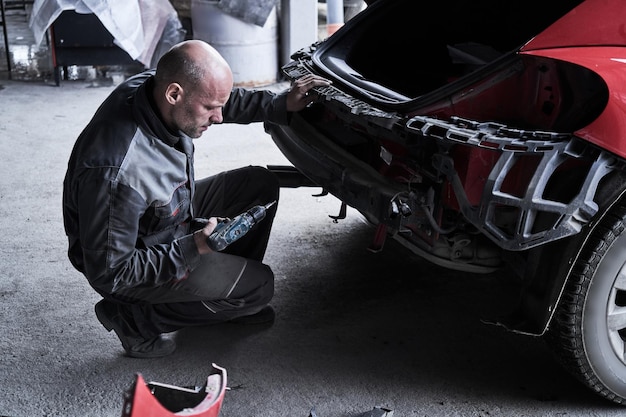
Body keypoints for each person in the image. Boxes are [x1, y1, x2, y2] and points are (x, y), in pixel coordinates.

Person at [62, 40, 331, 358]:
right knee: (261, 287)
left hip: (162, 211)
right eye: (209, 109)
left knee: (259, 183)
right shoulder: (118, 173)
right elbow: (110, 271)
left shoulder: (154, 87)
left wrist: (282, 103)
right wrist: (194, 247)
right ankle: (134, 321)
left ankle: (225, 299)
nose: (218, 118)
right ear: (174, 94)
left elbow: (219, 101)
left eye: (219, 106)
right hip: (128, 259)